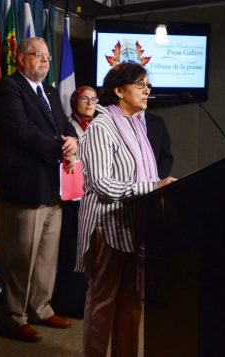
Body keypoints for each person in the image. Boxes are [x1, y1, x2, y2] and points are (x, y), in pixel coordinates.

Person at [75, 62, 174, 357]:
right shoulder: (101, 128)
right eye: (140, 85)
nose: (148, 90)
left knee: (131, 301)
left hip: (133, 225)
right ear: (119, 90)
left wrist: (156, 187)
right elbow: (103, 184)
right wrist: (152, 188)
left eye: (148, 84)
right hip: (106, 227)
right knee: (102, 302)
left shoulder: (136, 125)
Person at [0, 37, 78, 343]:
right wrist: (59, 149)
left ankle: (41, 306)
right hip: (22, 188)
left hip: (53, 186)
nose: (44, 60)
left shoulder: (51, 92)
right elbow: (20, 131)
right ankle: (14, 316)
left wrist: (72, 141)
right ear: (20, 58)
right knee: (20, 256)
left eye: (47, 56)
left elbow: (64, 126)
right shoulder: (8, 88)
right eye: (37, 55)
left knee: (45, 256)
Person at [53, 86, 99, 318]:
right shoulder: (67, 127)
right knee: (71, 251)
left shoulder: (100, 128)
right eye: (84, 98)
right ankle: (69, 303)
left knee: (91, 252)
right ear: (74, 101)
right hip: (72, 199)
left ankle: (88, 301)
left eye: (93, 99)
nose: (90, 103)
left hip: (95, 197)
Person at [143, 112, 174, 178]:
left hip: (155, 183)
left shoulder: (158, 122)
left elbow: (166, 156)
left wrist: (157, 181)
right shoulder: (118, 122)